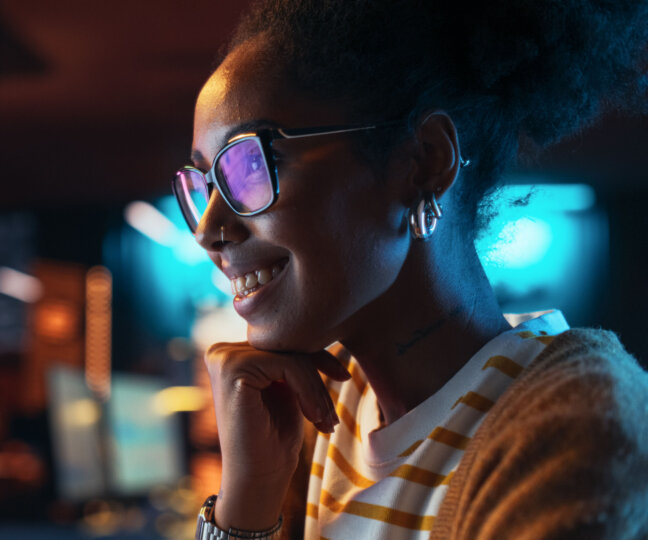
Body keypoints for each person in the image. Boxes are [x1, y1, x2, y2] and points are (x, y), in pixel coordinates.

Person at [171, 1, 648, 538]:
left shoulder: (575, 439)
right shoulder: (315, 409)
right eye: (205, 184)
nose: (207, 228)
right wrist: (246, 502)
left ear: (422, 161)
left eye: (251, 163)